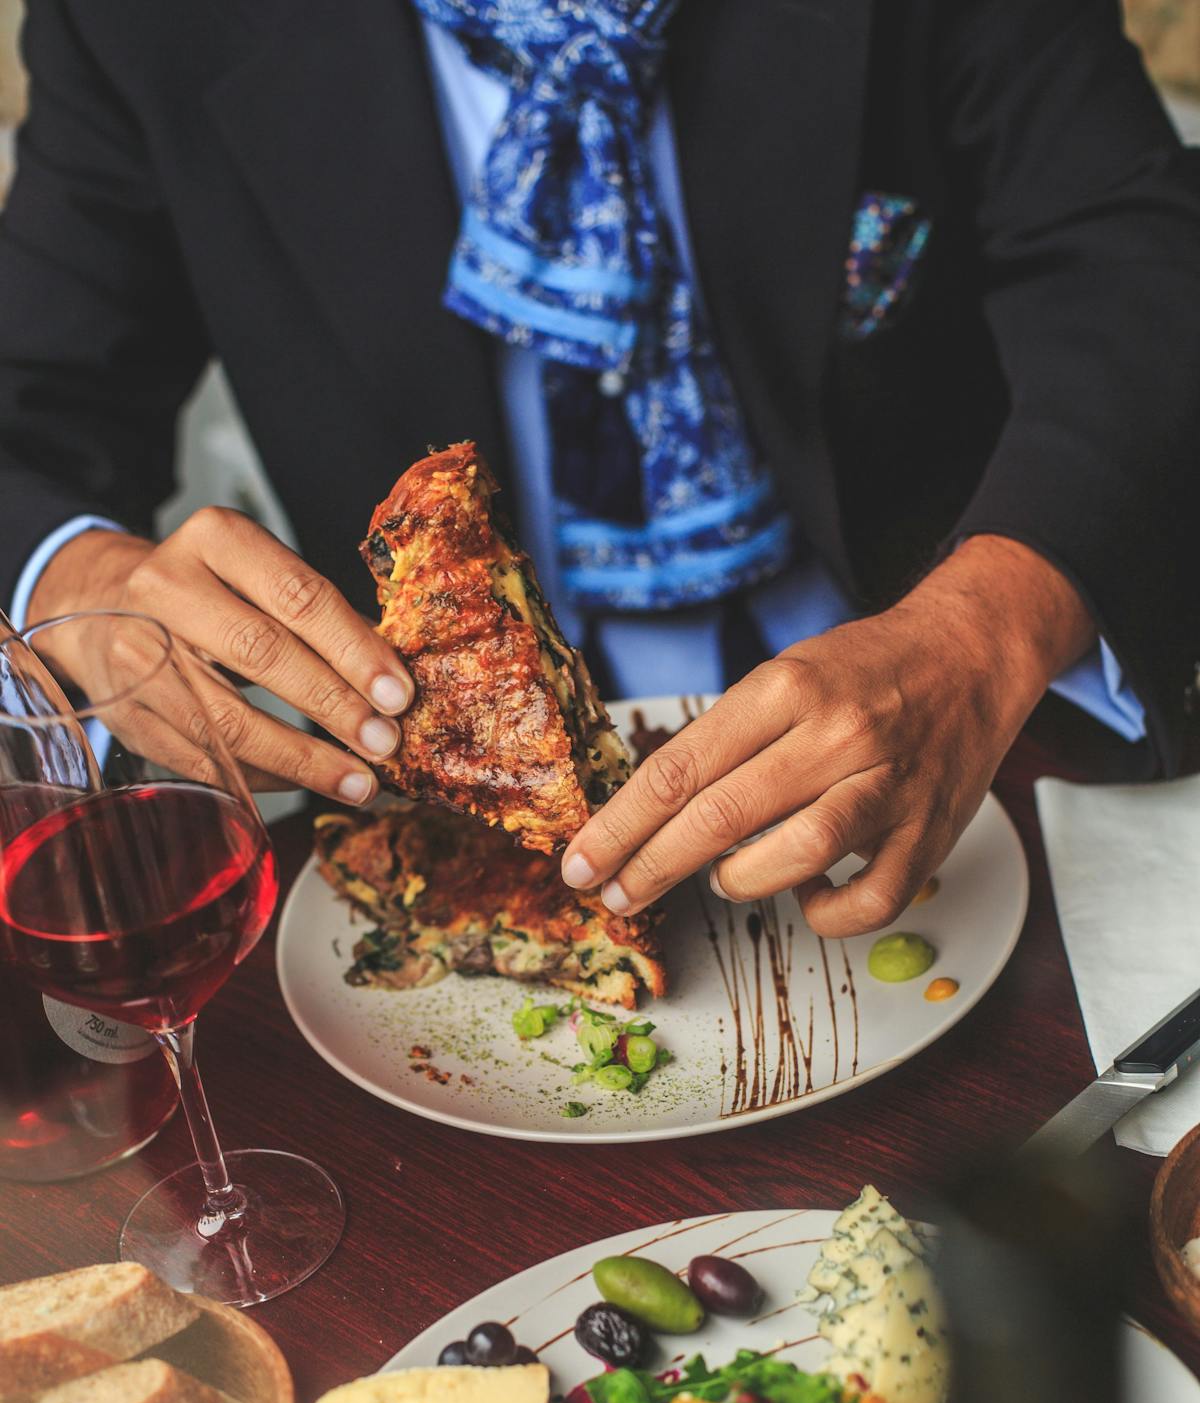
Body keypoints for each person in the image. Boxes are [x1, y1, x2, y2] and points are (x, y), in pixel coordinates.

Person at [1, 0, 1198, 938]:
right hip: (448, 841)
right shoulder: (137, 13)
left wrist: (991, 626)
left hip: (968, 773)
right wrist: (68, 585)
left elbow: (1136, 258)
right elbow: (29, 419)